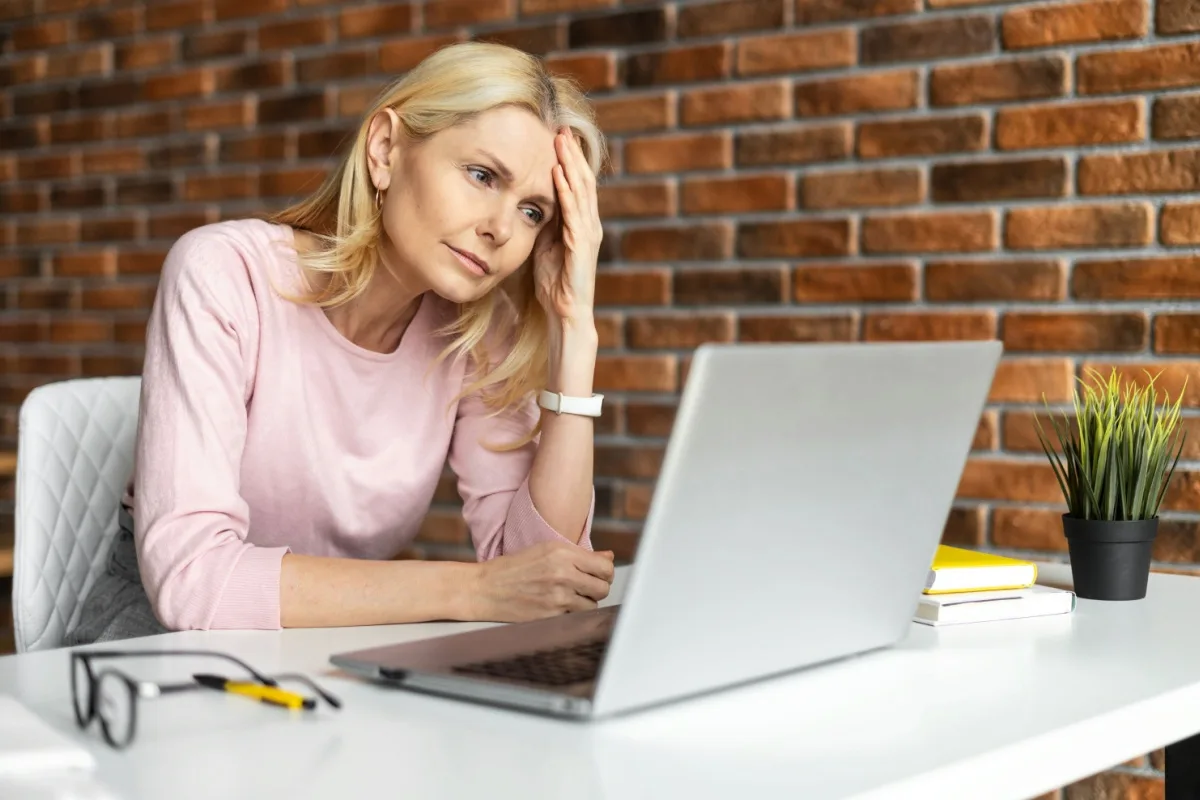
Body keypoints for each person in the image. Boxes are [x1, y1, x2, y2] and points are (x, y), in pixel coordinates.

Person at [64, 42, 617, 646]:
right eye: (482, 175)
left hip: (330, 640)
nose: (501, 229)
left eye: (534, 212)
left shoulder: (477, 333)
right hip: (156, 647)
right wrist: (472, 590)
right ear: (385, 149)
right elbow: (194, 580)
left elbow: (543, 581)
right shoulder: (226, 274)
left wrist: (574, 331)